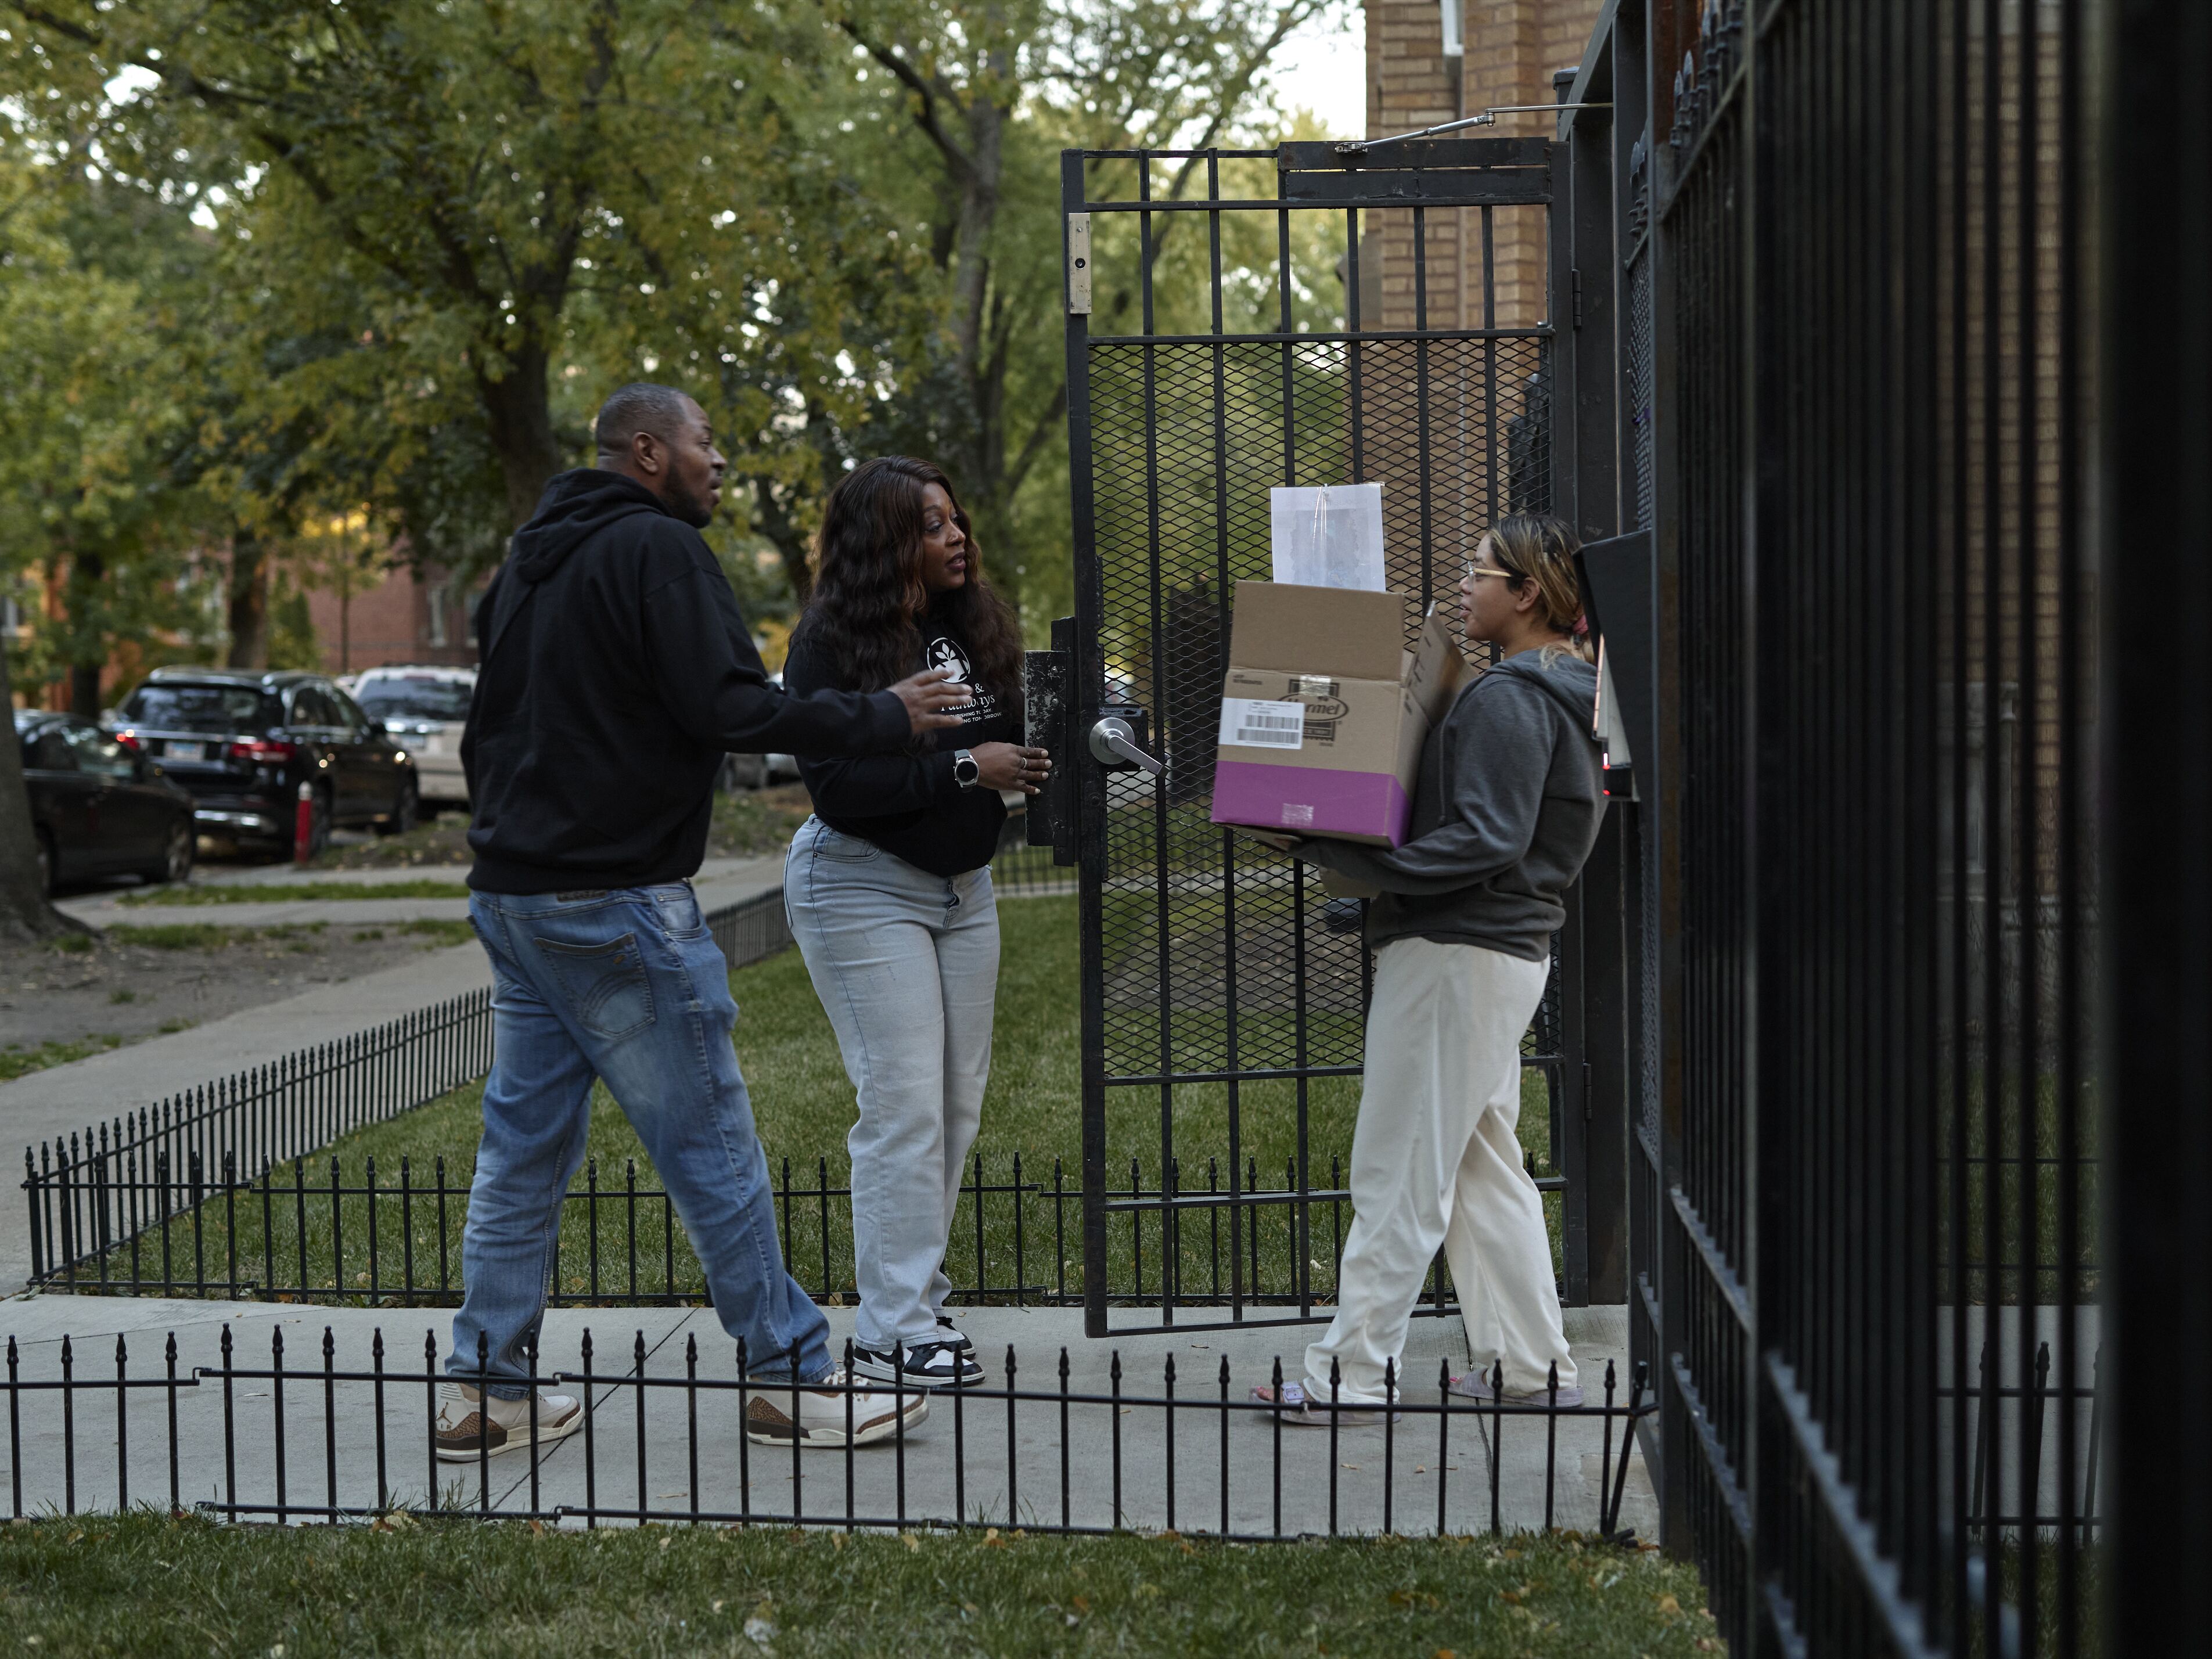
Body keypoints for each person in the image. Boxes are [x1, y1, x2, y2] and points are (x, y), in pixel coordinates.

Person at [439, 384, 972, 1459]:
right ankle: (787, 1374)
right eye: (704, 442)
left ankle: (485, 1395)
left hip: (512, 893)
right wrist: (886, 715)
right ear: (648, 451)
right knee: (711, 1143)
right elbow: (733, 707)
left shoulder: (527, 562)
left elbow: (484, 728)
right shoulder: (658, 550)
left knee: (521, 1151)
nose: (717, 461)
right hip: (614, 896)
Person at [1250, 512, 1604, 1422]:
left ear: (1526, 592)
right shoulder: (1565, 689)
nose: (1465, 587)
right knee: (1482, 1171)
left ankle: (1348, 1375)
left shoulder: (1510, 698)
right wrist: (1378, 890)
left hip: (1459, 955)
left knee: (1400, 1166)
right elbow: (1508, 843)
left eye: (1480, 572)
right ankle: (1531, 1368)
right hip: (1493, 951)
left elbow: (1486, 840)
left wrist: (1350, 859)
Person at [780, 457, 1050, 1388]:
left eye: (956, 518)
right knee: (901, 1107)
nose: (956, 536)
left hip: (962, 891)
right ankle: (890, 1331)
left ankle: (918, 1303)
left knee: (952, 1107)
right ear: (887, 541)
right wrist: (968, 769)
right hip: (861, 883)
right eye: (932, 524)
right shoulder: (828, 644)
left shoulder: (971, 629)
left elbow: (1009, 742)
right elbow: (841, 786)